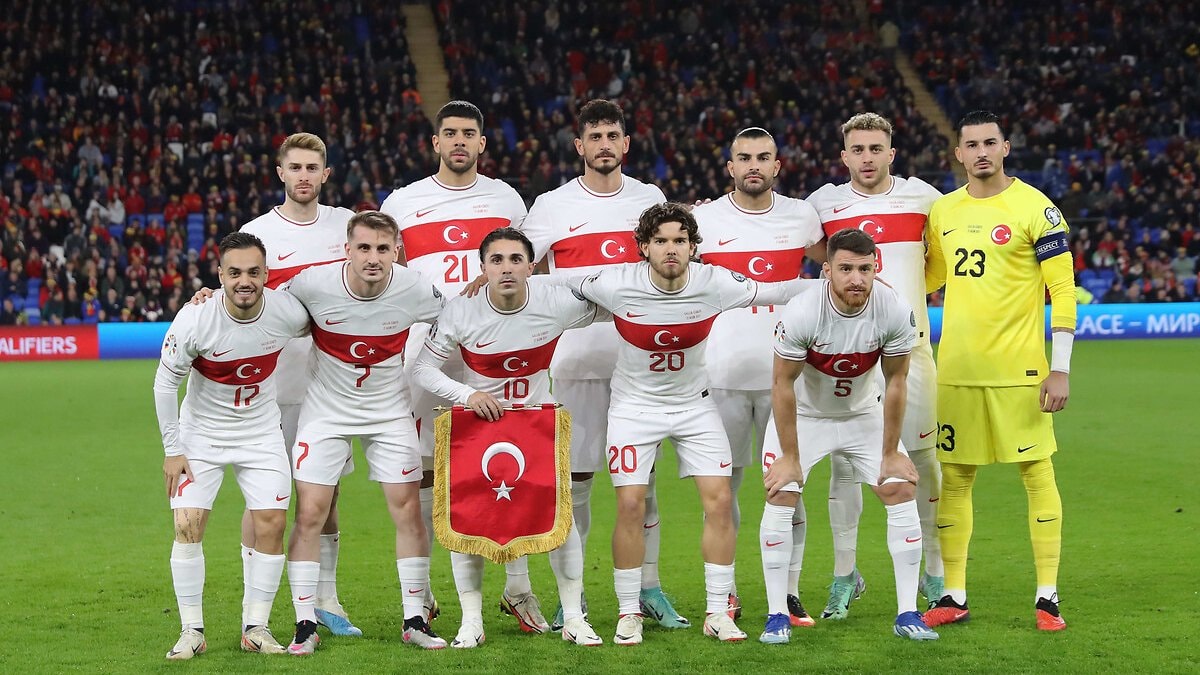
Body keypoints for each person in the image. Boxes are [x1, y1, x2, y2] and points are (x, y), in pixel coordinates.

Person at [571, 202, 814, 645]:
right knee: (630, 505)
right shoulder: (615, 282)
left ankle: (718, 612)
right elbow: (562, 285)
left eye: (680, 241)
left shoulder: (714, 282)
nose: (671, 249)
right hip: (633, 408)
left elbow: (775, 290)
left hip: (695, 407)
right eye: (661, 241)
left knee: (720, 501)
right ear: (643, 247)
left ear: (693, 247)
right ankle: (629, 613)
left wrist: (834, 281)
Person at [520, 99, 687, 630]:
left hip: (640, 360)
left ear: (626, 143)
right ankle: (573, 597)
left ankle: (649, 589)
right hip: (576, 361)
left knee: (644, 483)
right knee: (577, 482)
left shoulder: (650, 199)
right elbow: (520, 267)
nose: (605, 145)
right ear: (580, 146)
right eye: (595, 137)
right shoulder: (551, 205)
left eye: (613, 136)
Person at [379, 100, 538, 630]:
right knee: (421, 471)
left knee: (509, 460)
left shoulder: (506, 198)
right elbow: (387, 271)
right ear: (435, 143)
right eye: (450, 133)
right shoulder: (403, 202)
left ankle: (518, 589)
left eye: (469, 134)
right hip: (424, 348)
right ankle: (421, 595)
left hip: (494, 346)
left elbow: (529, 266)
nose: (459, 142)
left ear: (482, 142)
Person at [411, 228, 606, 647]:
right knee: (467, 522)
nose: (506, 269)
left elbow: (612, 301)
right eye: (496, 260)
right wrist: (467, 394)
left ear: (531, 267)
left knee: (560, 519)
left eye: (516, 259)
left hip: (536, 427)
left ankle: (574, 618)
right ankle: (471, 622)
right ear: (482, 268)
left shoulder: (555, 302)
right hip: (478, 429)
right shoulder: (462, 310)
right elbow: (422, 369)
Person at [922, 110, 1075, 632]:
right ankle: (953, 594)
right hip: (957, 371)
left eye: (990, 142)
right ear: (959, 153)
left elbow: (1062, 292)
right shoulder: (943, 211)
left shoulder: (1037, 208)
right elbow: (931, 277)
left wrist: (1061, 369)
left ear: (1005, 147)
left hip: (1020, 373)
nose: (981, 152)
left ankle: (1048, 596)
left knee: (1037, 473)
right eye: (972, 144)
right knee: (955, 479)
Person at [761, 228, 939, 644]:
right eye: (845, 269)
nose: (856, 278)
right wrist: (790, 456)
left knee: (899, 488)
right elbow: (782, 384)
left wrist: (891, 451)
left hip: (862, 414)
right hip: (807, 416)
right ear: (827, 271)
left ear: (876, 268)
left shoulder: (894, 308)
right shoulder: (804, 311)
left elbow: (897, 381)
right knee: (782, 493)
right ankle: (776, 614)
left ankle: (907, 613)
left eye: (864, 269)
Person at [284, 211, 447, 653]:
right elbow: (264, 307)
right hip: (325, 412)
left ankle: (415, 619)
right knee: (310, 512)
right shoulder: (313, 283)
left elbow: (459, 317)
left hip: (388, 412)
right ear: (347, 250)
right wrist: (210, 297)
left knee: (408, 509)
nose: (373, 258)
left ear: (396, 251)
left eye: (382, 248)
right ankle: (304, 623)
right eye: (364, 248)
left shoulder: (415, 288)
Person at [806, 112, 946, 619]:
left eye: (876, 148)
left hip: (912, 351)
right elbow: (804, 248)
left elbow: (942, 258)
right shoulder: (822, 203)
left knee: (923, 461)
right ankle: (845, 575)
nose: (867, 158)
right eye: (858, 149)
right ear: (844, 156)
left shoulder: (923, 198)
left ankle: (935, 572)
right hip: (847, 357)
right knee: (845, 465)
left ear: (892, 153)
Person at [154, 232, 310, 659]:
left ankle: (255, 627)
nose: (245, 281)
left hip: (260, 434)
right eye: (235, 272)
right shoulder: (195, 318)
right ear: (220, 275)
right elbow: (165, 384)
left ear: (266, 274)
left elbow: (328, 318)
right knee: (188, 524)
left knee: (271, 524)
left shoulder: (286, 311)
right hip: (201, 437)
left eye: (254, 272)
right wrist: (172, 449)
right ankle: (191, 631)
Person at [693, 126, 825, 621]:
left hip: (785, 379)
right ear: (730, 167)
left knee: (789, 487)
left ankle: (789, 591)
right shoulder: (702, 220)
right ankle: (725, 591)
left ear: (777, 165)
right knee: (721, 491)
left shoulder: (801, 216)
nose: (754, 165)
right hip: (719, 376)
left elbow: (835, 264)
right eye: (744, 157)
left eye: (763, 157)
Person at [240, 132, 360, 637]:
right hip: (271, 387)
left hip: (330, 387)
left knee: (325, 497)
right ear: (280, 173)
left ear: (325, 174)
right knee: (264, 499)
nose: (304, 176)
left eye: (313, 168)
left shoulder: (345, 226)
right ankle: (255, 609)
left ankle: (326, 601)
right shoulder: (257, 232)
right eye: (296, 167)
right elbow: (236, 293)